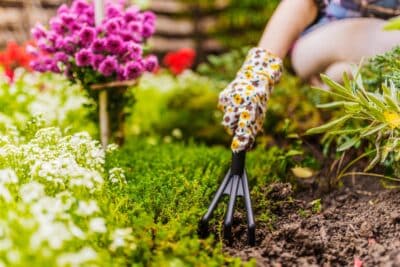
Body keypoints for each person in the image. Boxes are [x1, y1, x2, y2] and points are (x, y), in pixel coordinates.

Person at [218, 0, 400, 152]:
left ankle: (344, 80)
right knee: (347, 44)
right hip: (322, 43)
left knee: (342, 72)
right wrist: (258, 70)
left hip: (383, 46)